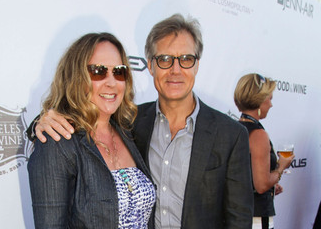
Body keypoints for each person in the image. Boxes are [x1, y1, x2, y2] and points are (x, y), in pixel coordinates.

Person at [28, 14, 254, 228]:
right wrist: (39, 125)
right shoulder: (134, 124)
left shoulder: (230, 135)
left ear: (196, 64)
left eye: (186, 59)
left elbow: (239, 220)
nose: (176, 70)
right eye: (164, 59)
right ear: (151, 65)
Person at [27, 32, 156, 229]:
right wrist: (37, 126)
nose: (111, 82)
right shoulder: (57, 142)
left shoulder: (127, 130)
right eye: (99, 71)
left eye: (119, 72)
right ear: (76, 77)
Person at [234, 73, 294, 229]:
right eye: (270, 98)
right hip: (256, 218)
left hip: (236, 215)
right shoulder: (258, 134)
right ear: (260, 100)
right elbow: (261, 185)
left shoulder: (233, 129)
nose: (271, 105)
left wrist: (271, 186)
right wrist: (282, 166)